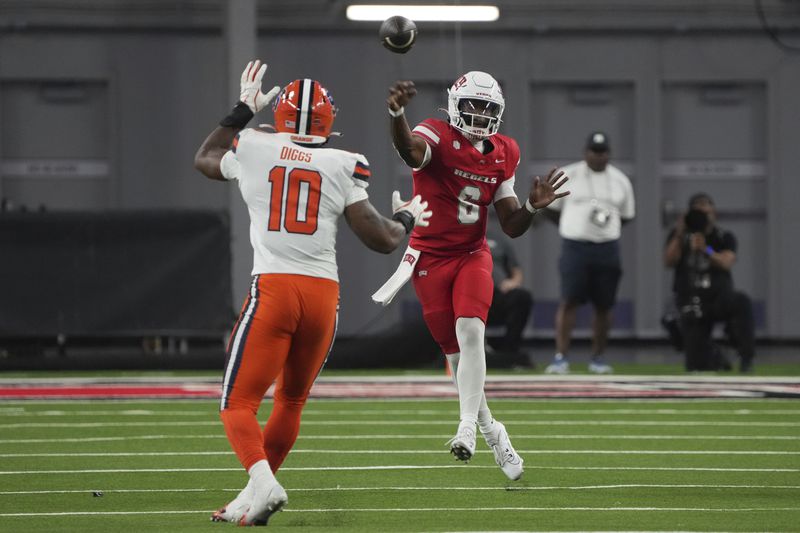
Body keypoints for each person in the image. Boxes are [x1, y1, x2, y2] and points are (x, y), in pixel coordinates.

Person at [193, 60, 432, 526]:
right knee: (291, 401)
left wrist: (243, 109)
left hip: (275, 289)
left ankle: (263, 483)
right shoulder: (344, 162)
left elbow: (205, 156)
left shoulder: (255, 146)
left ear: (278, 116)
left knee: (236, 403)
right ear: (330, 120)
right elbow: (382, 239)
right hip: (323, 297)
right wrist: (406, 218)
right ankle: (252, 496)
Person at [377, 72, 569, 481]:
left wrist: (533, 208)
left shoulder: (505, 151)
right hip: (429, 259)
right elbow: (411, 152)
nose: (481, 115)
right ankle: (491, 429)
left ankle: (465, 426)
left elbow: (511, 224)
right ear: (455, 105)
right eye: (474, 106)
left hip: (471, 254)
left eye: (488, 108)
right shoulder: (435, 133)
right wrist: (397, 113)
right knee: (456, 356)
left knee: (471, 333)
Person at [543, 131, 635, 375]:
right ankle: (561, 357)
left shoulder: (620, 180)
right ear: (586, 153)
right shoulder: (570, 174)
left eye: (603, 151)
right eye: (594, 151)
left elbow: (626, 216)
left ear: (608, 154)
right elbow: (550, 209)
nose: (598, 156)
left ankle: (598, 357)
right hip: (575, 246)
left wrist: (603, 232)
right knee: (569, 300)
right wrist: (571, 226)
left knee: (604, 305)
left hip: (607, 247)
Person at [664, 192, 755, 372]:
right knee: (696, 367)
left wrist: (707, 249)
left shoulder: (723, 236)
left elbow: (727, 262)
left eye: (706, 211)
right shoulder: (679, 236)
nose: (702, 217)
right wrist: (680, 233)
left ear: (714, 213)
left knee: (742, 301)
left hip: (718, 298)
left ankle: (746, 357)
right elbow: (668, 261)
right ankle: (714, 355)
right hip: (690, 301)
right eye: (697, 212)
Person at [485, 224, 534, 368]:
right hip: (470, 292)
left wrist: (513, 282)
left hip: (497, 293)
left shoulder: (498, 240)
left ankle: (510, 351)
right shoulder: (458, 236)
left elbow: (516, 270)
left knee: (522, 297)